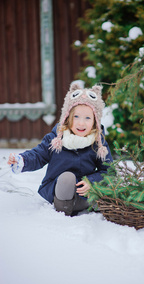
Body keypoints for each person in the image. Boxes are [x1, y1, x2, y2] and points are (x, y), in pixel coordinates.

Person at [7, 82, 113, 216]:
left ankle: (90, 203)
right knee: (67, 177)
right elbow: (39, 155)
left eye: (87, 118)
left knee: (104, 193)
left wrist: (91, 182)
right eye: (76, 117)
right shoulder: (56, 138)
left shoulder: (98, 143)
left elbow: (108, 170)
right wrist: (22, 160)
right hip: (58, 191)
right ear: (67, 117)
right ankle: (63, 211)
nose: (81, 123)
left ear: (95, 121)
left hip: (84, 193)